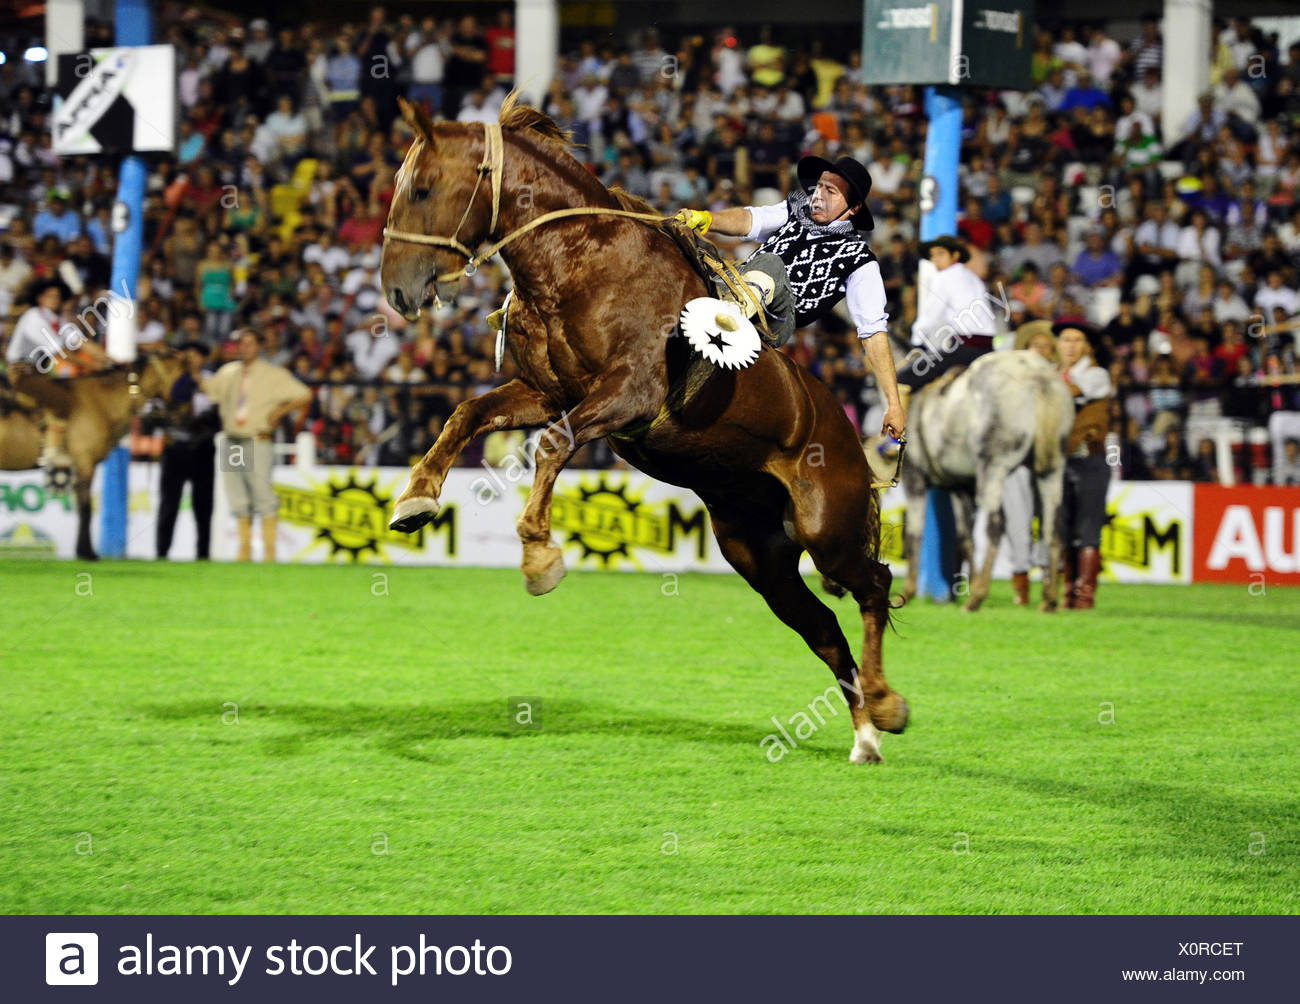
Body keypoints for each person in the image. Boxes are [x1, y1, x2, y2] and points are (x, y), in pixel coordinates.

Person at [673, 154, 904, 440]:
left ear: (854, 208)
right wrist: (707, 219)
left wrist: (894, 404)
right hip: (735, 284)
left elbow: (873, 332)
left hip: (776, 318)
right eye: (819, 187)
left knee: (771, 264)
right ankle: (718, 309)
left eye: (830, 191)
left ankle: (725, 317)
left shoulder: (860, 260)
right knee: (688, 254)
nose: (818, 196)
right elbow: (750, 219)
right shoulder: (795, 211)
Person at [202, 329, 313, 562]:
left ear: (259, 346)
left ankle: (269, 552)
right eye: (241, 344)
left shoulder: (272, 373)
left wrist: (279, 412)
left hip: (257, 439)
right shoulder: (228, 372)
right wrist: (193, 371)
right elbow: (208, 390)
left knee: (263, 495)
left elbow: (304, 394)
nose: (245, 348)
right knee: (237, 496)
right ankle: (244, 550)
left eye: (250, 343)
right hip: (233, 439)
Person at [3, 277, 110, 478]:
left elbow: (80, 342)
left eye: (57, 296)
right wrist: (93, 366)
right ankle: (51, 451)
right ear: (39, 298)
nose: (54, 299)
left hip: (39, 374)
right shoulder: (34, 318)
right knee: (64, 400)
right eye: (50, 296)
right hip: (21, 375)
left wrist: (109, 359)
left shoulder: (57, 320)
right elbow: (60, 352)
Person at [894, 235, 994, 412]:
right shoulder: (973, 277)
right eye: (932, 256)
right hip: (988, 348)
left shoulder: (944, 277)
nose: (935, 260)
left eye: (940, 254)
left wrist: (917, 342)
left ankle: (897, 428)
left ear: (955, 255)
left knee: (902, 379)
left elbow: (930, 315)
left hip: (964, 348)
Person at [1001, 321, 1060, 605]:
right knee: (1017, 520)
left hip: (1049, 458)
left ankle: (1049, 577)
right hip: (1016, 459)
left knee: (1049, 519)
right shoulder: (1009, 381)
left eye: (1047, 347)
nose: (1042, 351)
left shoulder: (1059, 382)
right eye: (1037, 346)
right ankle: (1021, 584)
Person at [1056, 321, 1113, 610]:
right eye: (1065, 340)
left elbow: (1073, 391)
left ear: (1088, 347)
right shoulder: (1053, 372)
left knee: (1088, 527)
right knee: (1063, 527)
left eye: (1077, 340)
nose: (1070, 346)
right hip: (1059, 460)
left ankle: (1085, 596)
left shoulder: (1096, 374)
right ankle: (1068, 593)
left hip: (1090, 459)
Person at [154, 341, 220, 561]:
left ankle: (203, 554)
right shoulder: (171, 379)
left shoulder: (211, 379)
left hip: (202, 446)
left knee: (203, 503)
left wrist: (197, 378)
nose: (191, 359)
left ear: (203, 358)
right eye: (187, 355)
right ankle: (162, 552)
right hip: (175, 446)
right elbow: (165, 403)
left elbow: (217, 402)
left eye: (195, 355)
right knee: (169, 502)